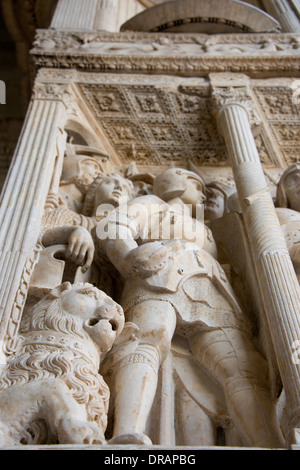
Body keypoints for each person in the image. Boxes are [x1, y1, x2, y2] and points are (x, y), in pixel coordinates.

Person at [93, 167, 284, 448]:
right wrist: (128, 256)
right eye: (196, 184)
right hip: (158, 271)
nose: (203, 192)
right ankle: (126, 433)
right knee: (147, 338)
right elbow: (114, 225)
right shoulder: (153, 205)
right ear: (176, 184)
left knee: (241, 364)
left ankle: (269, 442)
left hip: (211, 284)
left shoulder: (205, 227)